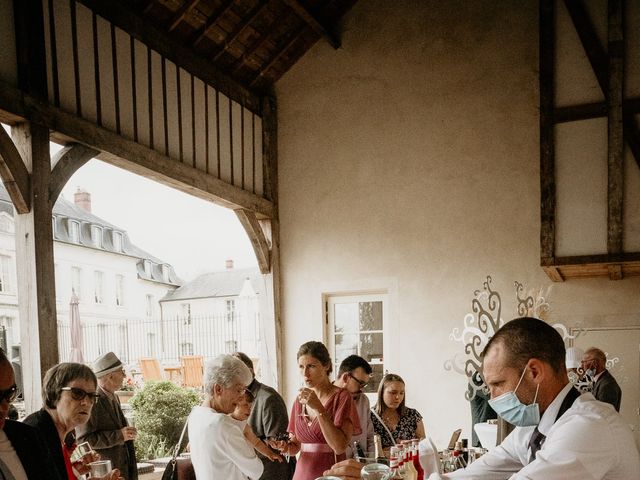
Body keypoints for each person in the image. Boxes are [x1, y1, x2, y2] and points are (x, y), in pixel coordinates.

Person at [445, 317, 639, 479]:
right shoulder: (534, 426)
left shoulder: (589, 425)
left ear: (534, 372)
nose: (493, 397)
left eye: (498, 384)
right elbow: (484, 469)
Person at [270, 341, 360, 480]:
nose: (305, 373)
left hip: (331, 473)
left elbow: (339, 447)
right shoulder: (300, 400)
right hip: (302, 474)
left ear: (326, 366)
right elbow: (295, 447)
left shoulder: (342, 397)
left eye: (311, 366)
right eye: (301, 367)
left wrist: (318, 408)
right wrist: (284, 447)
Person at [23, 362, 124, 480]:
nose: (86, 402)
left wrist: (75, 471)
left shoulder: (59, 434)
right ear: (53, 393)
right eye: (77, 393)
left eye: (91, 395)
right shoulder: (34, 435)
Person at [187, 354, 263, 480]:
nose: (241, 397)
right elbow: (256, 470)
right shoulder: (222, 423)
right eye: (238, 390)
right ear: (218, 389)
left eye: (244, 390)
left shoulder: (195, 415)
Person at [0, 349, 63, 479]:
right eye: (77, 394)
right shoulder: (39, 424)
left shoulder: (27, 436)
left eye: (9, 393)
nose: (4, 407)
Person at [232, 352, 294, 480]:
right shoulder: (236, 398)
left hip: (271, 472)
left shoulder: (268, 398)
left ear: (249, 372)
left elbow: (278, 446)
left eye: (234, 372)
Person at [76, 352, 138, 479]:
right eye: (121, 372)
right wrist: (120, 435)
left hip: (122, 469)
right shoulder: (93, 400)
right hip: (105, 473)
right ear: (110, 376)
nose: (124, 376)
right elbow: (84, 440)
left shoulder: (113, 396)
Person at [333, 355, 373, 458]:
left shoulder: (363, 401)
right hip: (333, 465)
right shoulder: (324, 399)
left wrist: (371, 462)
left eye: (364, 386)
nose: (361, 389)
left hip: (359, 466)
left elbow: (370, 437)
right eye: (360, 384)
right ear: (346, 377)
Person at [370, 373, 425, 449]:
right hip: (380, 461)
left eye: (401, 393)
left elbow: (423, 446)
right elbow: (366, 448)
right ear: (382, 392)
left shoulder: (412, 415)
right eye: (393, 393)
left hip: (408, 460)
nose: (397, 397)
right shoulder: (370, 417)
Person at [581, 347, 622, 412]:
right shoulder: (600, 381)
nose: (581, 366)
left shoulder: (607, 385)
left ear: (595, 363)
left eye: (584, 362)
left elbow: (604, 414)